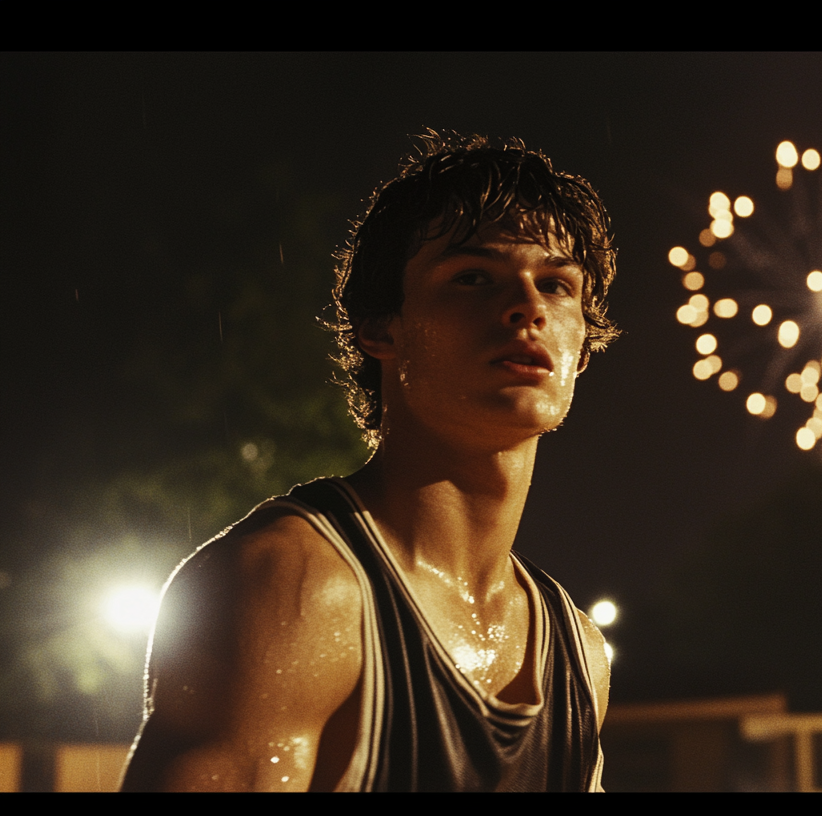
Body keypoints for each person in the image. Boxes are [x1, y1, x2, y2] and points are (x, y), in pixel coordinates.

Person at [121, 134, 619, 791]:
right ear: (380, 327)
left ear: (582, 346)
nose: (527, 307)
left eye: (556, 285)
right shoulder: (288, 589)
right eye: (473, 278)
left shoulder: (579, 654)